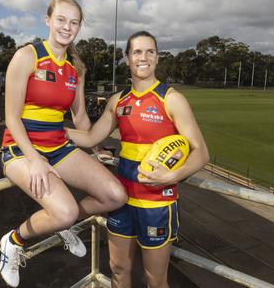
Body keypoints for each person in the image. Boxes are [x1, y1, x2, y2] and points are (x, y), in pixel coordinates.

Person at [0, 0, 127, 287]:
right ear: (48, 20)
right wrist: (34, 159)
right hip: (20, 148)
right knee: (67, 210)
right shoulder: (27, 56)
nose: (67, 27)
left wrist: (95, 149)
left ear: (79, 27)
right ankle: (12, 242)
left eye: (74, 22)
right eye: (61, 19)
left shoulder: (75, 68)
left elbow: (80, 118)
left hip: (59, 146)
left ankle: (60, 223)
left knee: (114, 195)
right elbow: (11, 118)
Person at [67, 31, 209, 288]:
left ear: (156, 57)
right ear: (127, 58)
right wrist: (46, 130)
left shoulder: (171, 99)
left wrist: (172, 175)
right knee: (119, 270)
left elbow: (201, 152)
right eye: (137, 52)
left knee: (155, 279)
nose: (143, 57)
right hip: (122, 201)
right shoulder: (118, 101)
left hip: (156, 204)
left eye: (150, 51)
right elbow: (89, 137)